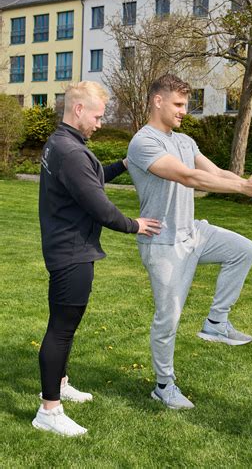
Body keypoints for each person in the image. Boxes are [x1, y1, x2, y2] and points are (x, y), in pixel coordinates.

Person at [127, 74, 252, 410]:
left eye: (185, 105)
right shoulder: (143, 142)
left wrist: (249, 184)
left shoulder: (185, 141)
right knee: (169, 319)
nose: (183, 111)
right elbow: (189, 177)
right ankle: (164, 386)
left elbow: (216, 172)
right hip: (163, 243)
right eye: (178, 104)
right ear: (157, 101)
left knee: (243, 249)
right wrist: (243, 189)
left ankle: (216, 322)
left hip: (192, 232)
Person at [34, 81, 161, 437]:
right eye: (97, 115)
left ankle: (59, 384)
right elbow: (99, 206)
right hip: (71, 252)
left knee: (66, 326)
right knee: (61, 329)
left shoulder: (63, 144)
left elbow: (92, 179)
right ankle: (49, 409)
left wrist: (123, 163)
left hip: (67, 248)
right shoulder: (71, 151)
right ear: (78, 110)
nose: (100, 123)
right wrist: (135, 224)